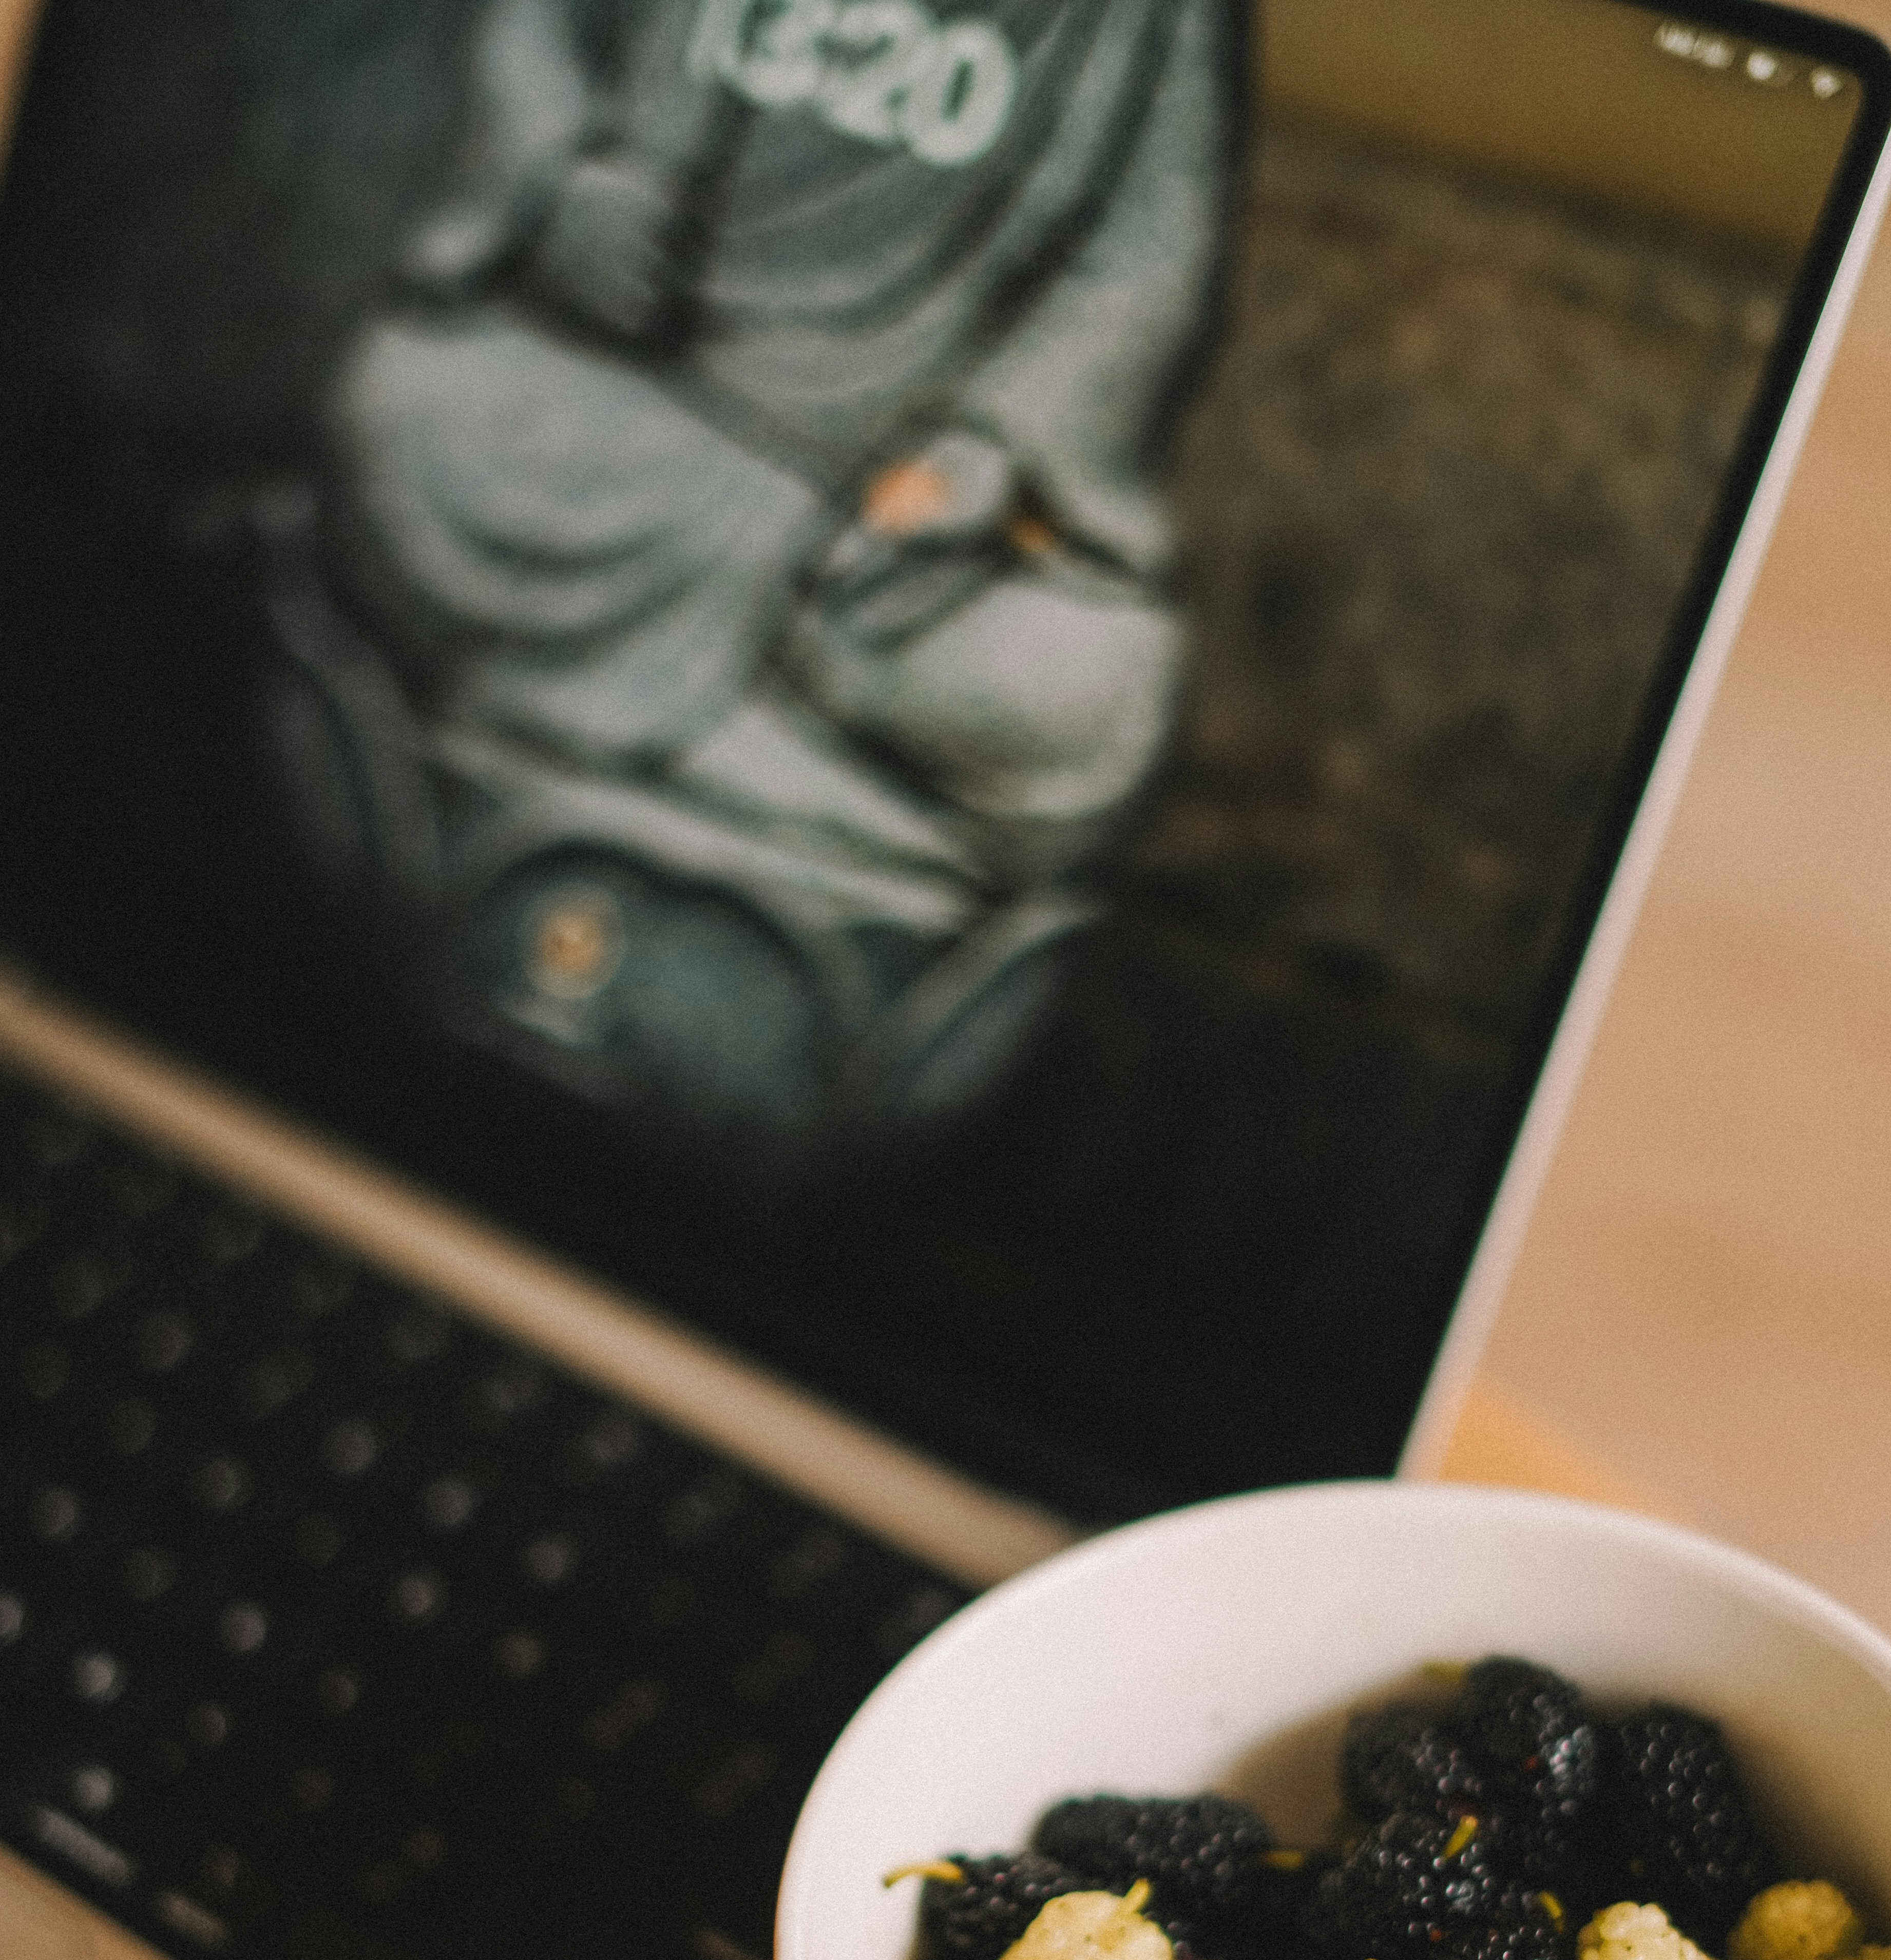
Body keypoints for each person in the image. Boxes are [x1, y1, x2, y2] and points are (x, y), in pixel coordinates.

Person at [257, 0, 1243, 1157]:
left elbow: (1134, 271)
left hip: (879, 543)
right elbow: (537, 38)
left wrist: (986, 455)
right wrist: (555, 195)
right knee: (408, 410)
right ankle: (793, 774)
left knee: (1077, 676)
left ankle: (664, 745)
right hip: (633, 435)